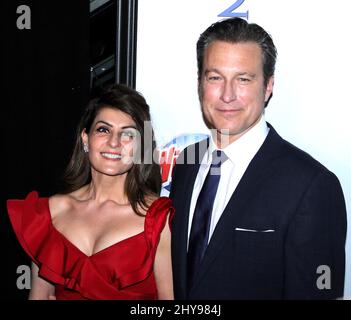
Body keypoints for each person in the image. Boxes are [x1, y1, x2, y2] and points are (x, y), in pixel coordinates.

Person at [170, 17, 347, 299]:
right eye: (215, 77)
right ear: (199, 83)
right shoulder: (185, 164)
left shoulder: (312, 186)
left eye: (243, 79)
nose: (227, 95)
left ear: (268, 87)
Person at [7, 84, 174, 300]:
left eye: (128, 135)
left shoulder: (158, 219)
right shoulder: (49, 215)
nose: (114, 142)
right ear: (85, 139)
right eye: (103, 130)